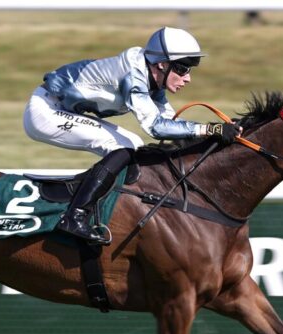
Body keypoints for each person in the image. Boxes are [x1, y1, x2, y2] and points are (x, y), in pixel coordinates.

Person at [23, 27, 241, 245]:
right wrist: (210, 129)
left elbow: (171, 123)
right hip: (45, 111)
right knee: (123, 147)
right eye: (182, 69)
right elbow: (156, 127)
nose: (188, 78)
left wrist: (215, 135)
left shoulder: (152, 77)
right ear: (162, 64)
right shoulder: (134, 76)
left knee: (133, 145)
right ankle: (74, 216)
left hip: (62, 108)